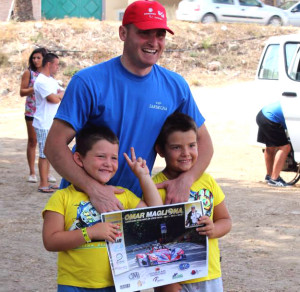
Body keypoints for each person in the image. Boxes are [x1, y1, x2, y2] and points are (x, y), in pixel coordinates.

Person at [44, 0, 213, 212]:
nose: (154, 42)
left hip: (135, 207)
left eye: (160, 35)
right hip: (85, 205)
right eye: (144, 33)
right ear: (123, 33)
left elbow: (204, 141)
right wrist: (94, 190)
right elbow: (54, 145)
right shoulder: (89, 82)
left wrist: (186, 180)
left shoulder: (175, 86)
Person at [42, 125, 163, 291]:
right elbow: (50, 241)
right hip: (75, 285)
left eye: (114, 158)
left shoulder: (122, 195)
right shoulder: (62, 197)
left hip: (122, 283)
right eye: (101, 156)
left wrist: (144, 177)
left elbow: (157, 213)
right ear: (78, 159)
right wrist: (90, 233)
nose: (108, 164)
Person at [153, 112, 232, 292]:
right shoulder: (155, 186)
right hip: (171, 276)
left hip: (209, 274)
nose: (186, 153)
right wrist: (168, 283)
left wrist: (214, 229)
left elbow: (225, 220)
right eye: (176, 147)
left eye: (192, 145)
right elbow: (152, 234)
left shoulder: (207, 181)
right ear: (160, 149)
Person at [19, 47, 56, 183]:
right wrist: (35, 88)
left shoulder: (49, 76)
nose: (35, 60)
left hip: (46, 113)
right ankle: (32, 172)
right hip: (31, 111)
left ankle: (47, 172)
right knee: (33, 141)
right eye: (33, 58)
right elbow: (22, 92)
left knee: (46, 144)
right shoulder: (29, 73)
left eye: (38, 58)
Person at [33, 52, 64, 193]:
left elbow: (62, 93)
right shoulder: (41, 81)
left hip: (51, 122)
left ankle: (46, 180)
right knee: (44, 154)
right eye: (56, 64)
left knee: (49, 152)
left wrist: (58, 95)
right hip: (43, 122)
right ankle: (43, 183)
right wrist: (58, 95)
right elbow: (54, 99)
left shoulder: (50, 80)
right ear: (49, 64)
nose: (58, 67)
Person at [256, 101, 292, 187]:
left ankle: (269, 176)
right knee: (285, 147)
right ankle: (275, 179)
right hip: (271, 118)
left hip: (262, 114)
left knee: (270, 146)